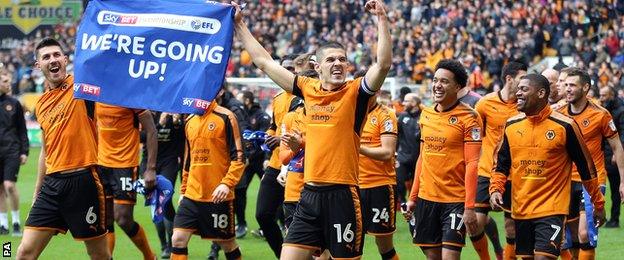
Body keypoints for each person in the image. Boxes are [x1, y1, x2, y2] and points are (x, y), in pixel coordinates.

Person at [234, 0, 391, 258]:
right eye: (330, 60)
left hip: (343, 196)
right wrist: (239, 25)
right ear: (318, 68)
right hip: (308, 195)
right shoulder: (307, 88)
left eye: (342, 59)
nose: (338, 63)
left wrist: (382, 19)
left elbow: (383, 64)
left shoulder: (356, 93)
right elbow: (264, 62)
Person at [490, 73, 606, 260]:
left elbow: (587, 168)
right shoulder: (511, 125)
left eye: (524, 89)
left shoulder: (565, 126)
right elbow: (501, 164)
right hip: (521, 210)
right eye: (518, 89)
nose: (517, 93)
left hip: (552, 209)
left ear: (541, 93)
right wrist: (496, 189)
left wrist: (598, 204)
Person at [17, 37, 109, 259]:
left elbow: (104, 64)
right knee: (23, 252)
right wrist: (38, 190)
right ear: (38, 66)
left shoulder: (82, 86)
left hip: (83, 181)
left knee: (99, 255)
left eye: (57, 55)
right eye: (46, 57)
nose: (53, 59)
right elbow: (46, 149)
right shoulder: (40, 104)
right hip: (52, 186)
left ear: (66, 60)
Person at [405, 59, 482, 260]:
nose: (437, 85)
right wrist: (413, 198)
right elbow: (423, 157)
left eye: (444, 81)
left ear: (457, 87)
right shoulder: (426, 114)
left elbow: (473, 163)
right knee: (432, 257)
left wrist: (469, 206)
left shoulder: (469, 117)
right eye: (435, 80)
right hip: (426, 198)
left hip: (454, 200)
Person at [557, 68, 624, 259]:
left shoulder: (601, 114)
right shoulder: (559, 114)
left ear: (585, 87)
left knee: (585, 233)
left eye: (572, 85)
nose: (567, 89)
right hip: (565, 182)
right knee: (569, 239)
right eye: (566, 85)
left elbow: (617, 147)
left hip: (592, 181)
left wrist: (622, 181)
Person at [170, 101, 245, 260]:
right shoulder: (189, 120)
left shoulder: (226, 117)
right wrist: (183, 190)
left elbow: (239, 157)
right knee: (177, 240)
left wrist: (227, 183)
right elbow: (188, 161)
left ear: (218, 92)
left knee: (227, 244)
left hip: (218, 197)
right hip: (192, 195)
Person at [473, 61, 527, 260]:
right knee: (475, 222)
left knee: (511, 226)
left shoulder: (525, 105)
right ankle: (494, 252)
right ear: (509, 79)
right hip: (486, 171)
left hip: (514, 174)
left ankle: (507, 256)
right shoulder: (485, 104)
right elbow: (475, 136)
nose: (524, 83)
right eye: (522, 78)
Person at [95, 100, 157, 260]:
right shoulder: (96, 94)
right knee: (105, 220)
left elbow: (151, 130)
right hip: (101, 164)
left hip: (125, 165)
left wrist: (150, 169)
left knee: (123, 218)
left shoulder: (131, 97)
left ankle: (149, 256)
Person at [210, 87, 250, 259]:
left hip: (233, 161)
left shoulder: (233, 109)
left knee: (235, 197)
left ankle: (240, 225)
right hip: (217, 164)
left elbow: (240, 135)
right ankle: (216, 248)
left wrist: (242, 158)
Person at [140, 112, 186, 259]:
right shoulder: (147, 112)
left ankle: (173, 244)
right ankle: (164, 245)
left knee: (164, 201)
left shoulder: (175, 111)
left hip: (169, 162)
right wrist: (158, 124)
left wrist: (178, 124)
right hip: (149, 163)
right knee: (155, 202)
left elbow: (183, 139)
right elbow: (140, 137)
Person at [358, 97, 399, 260]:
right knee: (349, 245)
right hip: (352, 187)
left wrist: (358, 147)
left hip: (380, 186)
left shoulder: (386, 114)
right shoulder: (351, 112)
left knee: (384, 245)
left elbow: (388, 152)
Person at [235, 90, 270, 237]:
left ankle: (277, 224)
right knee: (239, 191)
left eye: (239, 99)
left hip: (262, 160)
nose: (237, 102)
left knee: (271, 191)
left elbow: (265, 140)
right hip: (248, 161)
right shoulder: (241, 116)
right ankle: (241, 224)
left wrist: (266, 158)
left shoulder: (263, 116)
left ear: (247, 101)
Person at [0, 69, 28, 236]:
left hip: (12, 151)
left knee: (9, 185)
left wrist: (24, 151)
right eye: (4, 81)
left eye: (8, 81)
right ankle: (3, 225)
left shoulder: (14, 103)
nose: (8, 84)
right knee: (0, 189)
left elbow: (22, 130)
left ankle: (16, 222)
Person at [599, 86, 624, 228]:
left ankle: (614, 218)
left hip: (613, 155)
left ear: (612, 95)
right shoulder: (603, 110)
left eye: (604, 95)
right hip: (604, 154)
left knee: (615, 188)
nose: (601, 98)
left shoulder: (620, 111)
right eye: (601, 95)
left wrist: (618, 153)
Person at [396, 93, 421, 203]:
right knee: (398, 181)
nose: (403, 103)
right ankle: (402, 204)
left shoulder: (424, 116)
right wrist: (395, 152)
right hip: (403, 157)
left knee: (418, 184)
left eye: (406, 101)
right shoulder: (402, 116)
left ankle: (416, 203)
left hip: (418, 158)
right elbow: (397, 135)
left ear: (414, 103)